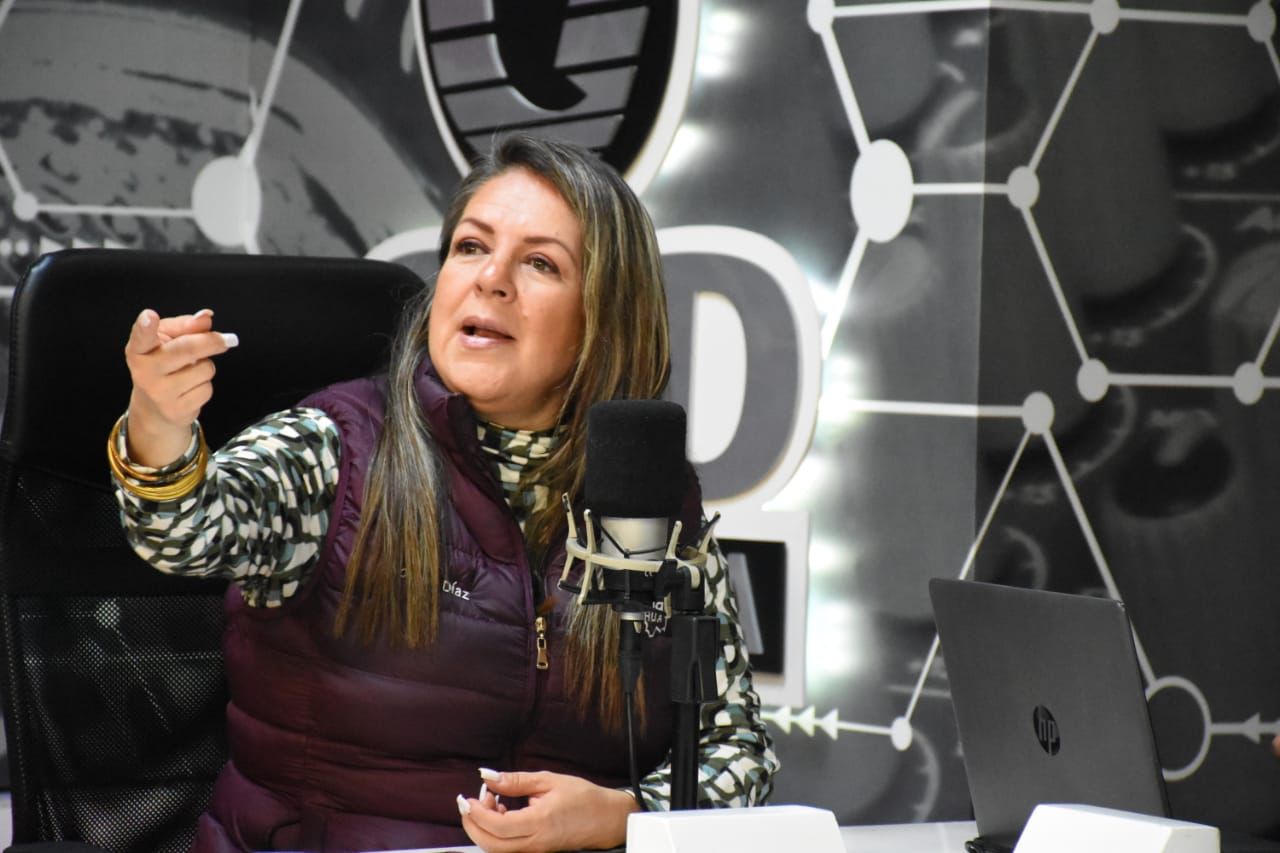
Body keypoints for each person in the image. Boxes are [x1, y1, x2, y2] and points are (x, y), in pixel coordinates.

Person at [109, 133, 778, 853]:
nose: (491, 279)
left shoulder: (648, 494)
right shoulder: (336, 446)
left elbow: (734, 748)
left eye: (541, 263)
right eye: (470, 247)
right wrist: (159, 424)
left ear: (604, 321)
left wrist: (623, 815)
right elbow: (187, 529)